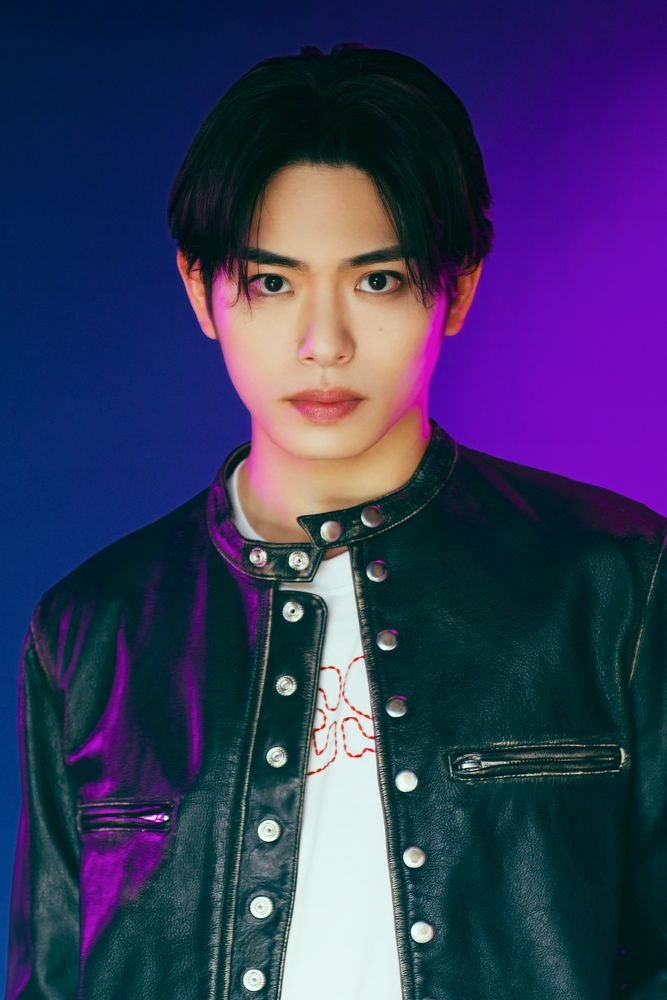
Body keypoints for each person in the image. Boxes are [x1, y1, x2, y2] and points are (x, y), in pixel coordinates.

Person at [5, 40, 666, 1000]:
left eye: (377, 280)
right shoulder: (91, 629)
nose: (325, 344)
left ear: (457, 286)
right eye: (271, 283)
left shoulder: (615, 582)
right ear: (200, 290)